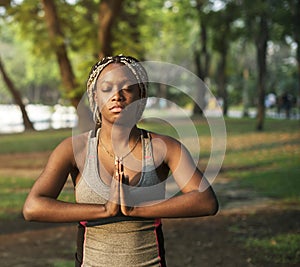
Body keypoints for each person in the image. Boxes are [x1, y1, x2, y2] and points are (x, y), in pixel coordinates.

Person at [23, 55, 219, 266]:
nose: (117, 96)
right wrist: (104, 210)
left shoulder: (164, 148)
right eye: (107, 89)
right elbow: (33, 207)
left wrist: (138, 210)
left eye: (127, 88)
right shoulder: (74, 149)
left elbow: (205, 201)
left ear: (141, 95)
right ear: (95, 97)